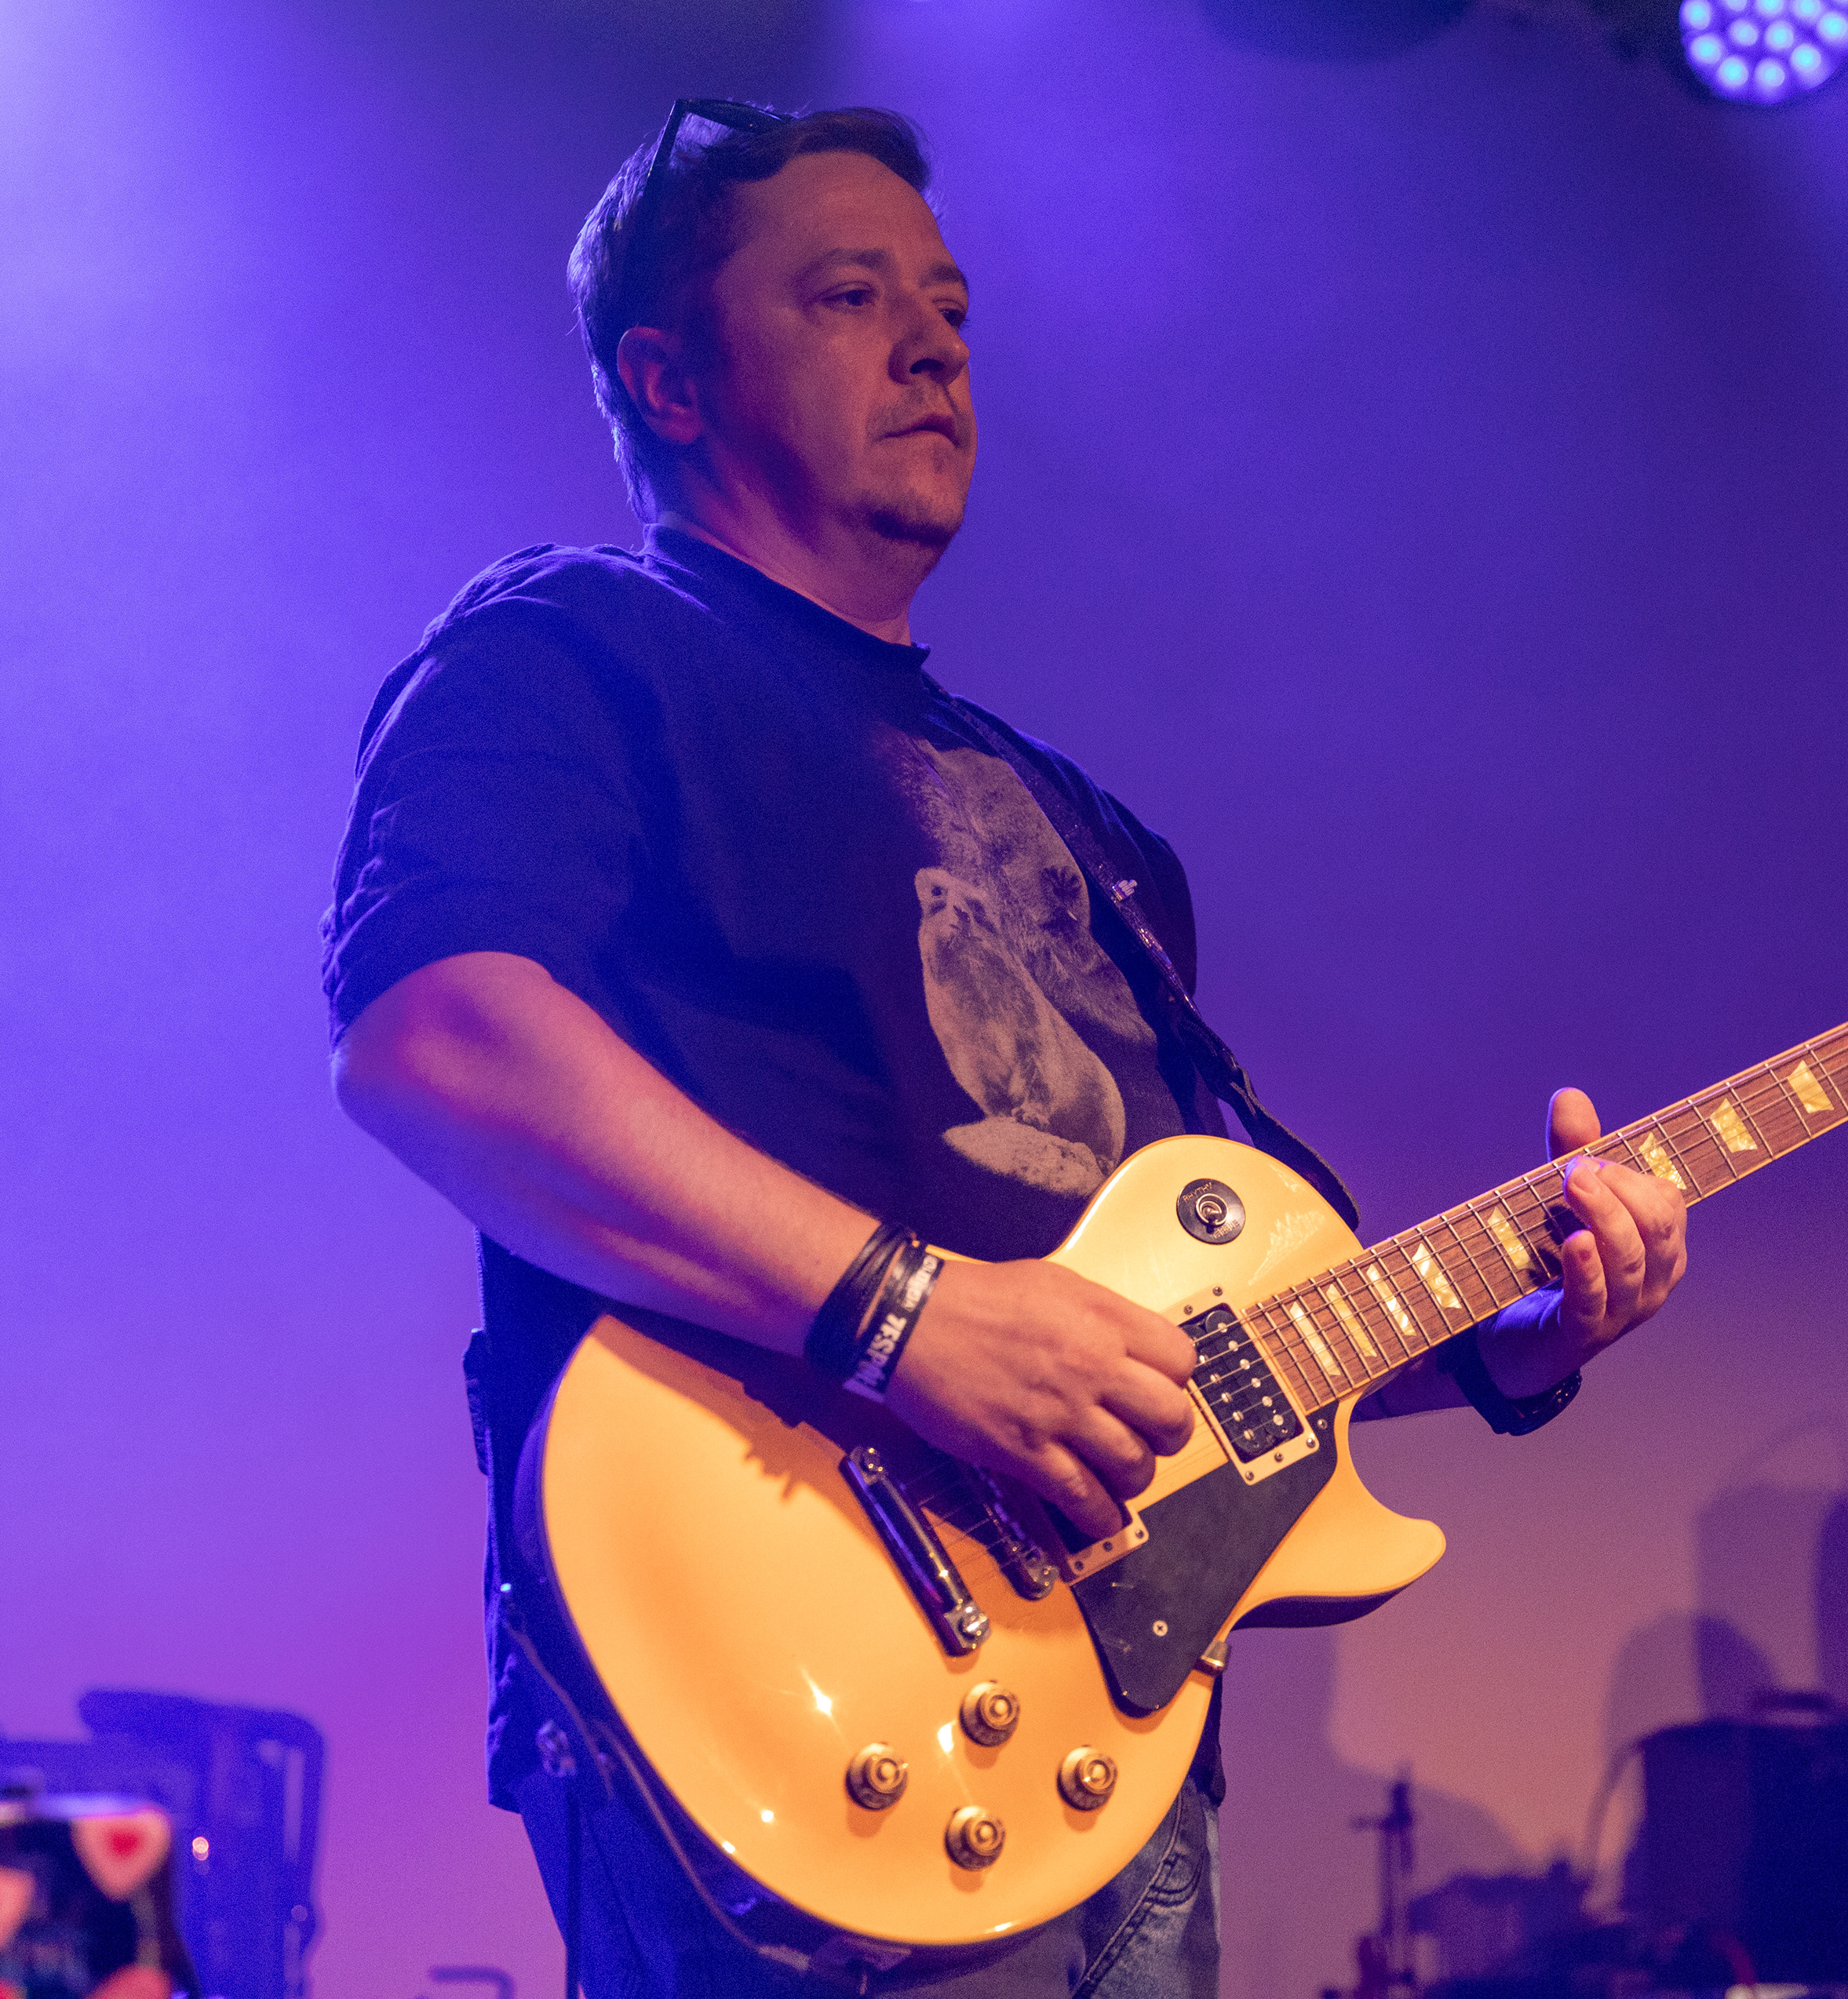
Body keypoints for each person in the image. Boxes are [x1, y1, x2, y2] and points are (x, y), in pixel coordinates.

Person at [321, 100, 1689, 1999]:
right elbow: (438, 1041)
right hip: (779, 1687)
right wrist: (909, 1312)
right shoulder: (572, 646)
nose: (933, 346)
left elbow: (1188, 1354)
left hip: (1104, 1753)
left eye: (950, 306)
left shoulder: (1091, 832)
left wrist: (1511, 1339)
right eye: (848, 296)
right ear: (670, 380)